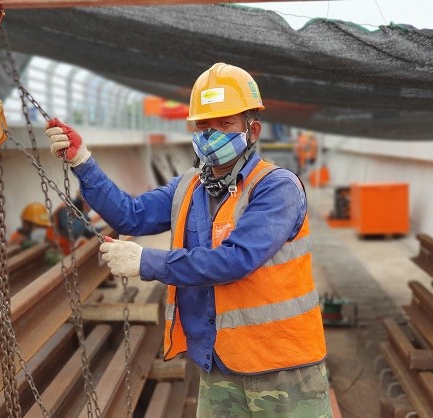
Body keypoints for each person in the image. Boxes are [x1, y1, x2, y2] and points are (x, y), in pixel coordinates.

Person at [46, 62, 331, 417]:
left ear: (252, 130)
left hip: (282, 366)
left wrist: (145, 262)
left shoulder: (276, 187)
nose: (212, 135)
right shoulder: (189, 187)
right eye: (204, 125)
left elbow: (235, 260)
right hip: (219, 361)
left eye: (225, 124)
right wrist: (82, 161)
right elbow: (130, 215)